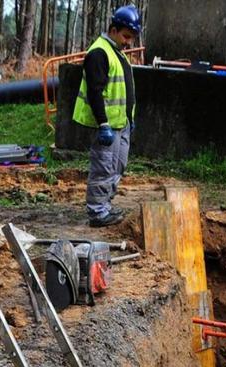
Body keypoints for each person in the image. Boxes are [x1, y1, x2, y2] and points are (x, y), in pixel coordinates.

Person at [73, 4, 141, 228]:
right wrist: (103, 123)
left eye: (131, 38)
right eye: (125, 36)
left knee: (117, 166)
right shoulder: (99, 52)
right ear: (113, 29)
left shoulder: (117, 53)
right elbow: (95, 92)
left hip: (121, 123)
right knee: (103, 167)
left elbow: (122, 90)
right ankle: (97, 212)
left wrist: (130, 120)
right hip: (107, 125)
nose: (128, 42)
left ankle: (105, 205)